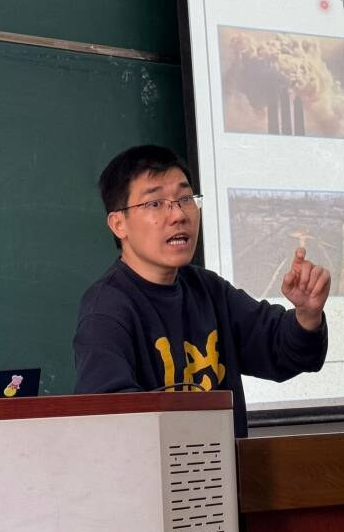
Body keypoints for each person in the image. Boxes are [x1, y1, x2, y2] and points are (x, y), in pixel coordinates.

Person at [73, 144, 329, 437]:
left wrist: (307, 315)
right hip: (156, 465)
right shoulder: (105, 309)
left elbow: (281, 350)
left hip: (225, 465)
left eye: (185, 199)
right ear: (119, 224)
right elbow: (108, 416)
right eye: (155, 203)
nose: (178, 215)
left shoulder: (208, 289)